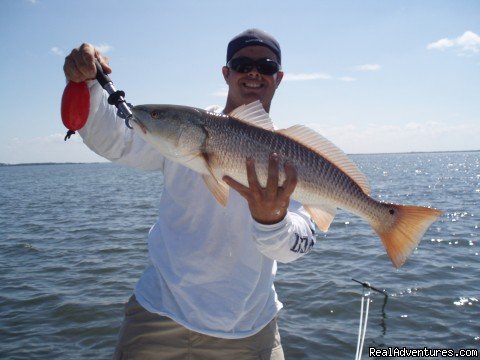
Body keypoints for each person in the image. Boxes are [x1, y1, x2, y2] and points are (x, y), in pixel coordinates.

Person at [63, 29, 316, 359]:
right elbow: (115, 140)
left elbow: (299, 244)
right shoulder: (185, 130)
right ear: (226, 73)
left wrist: (273, 222)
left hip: (251, 328)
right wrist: (88, 83)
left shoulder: (295, 158)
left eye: (265, 66)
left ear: (278, 78)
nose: (253, 72)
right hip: (159, 315)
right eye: (242, 64)